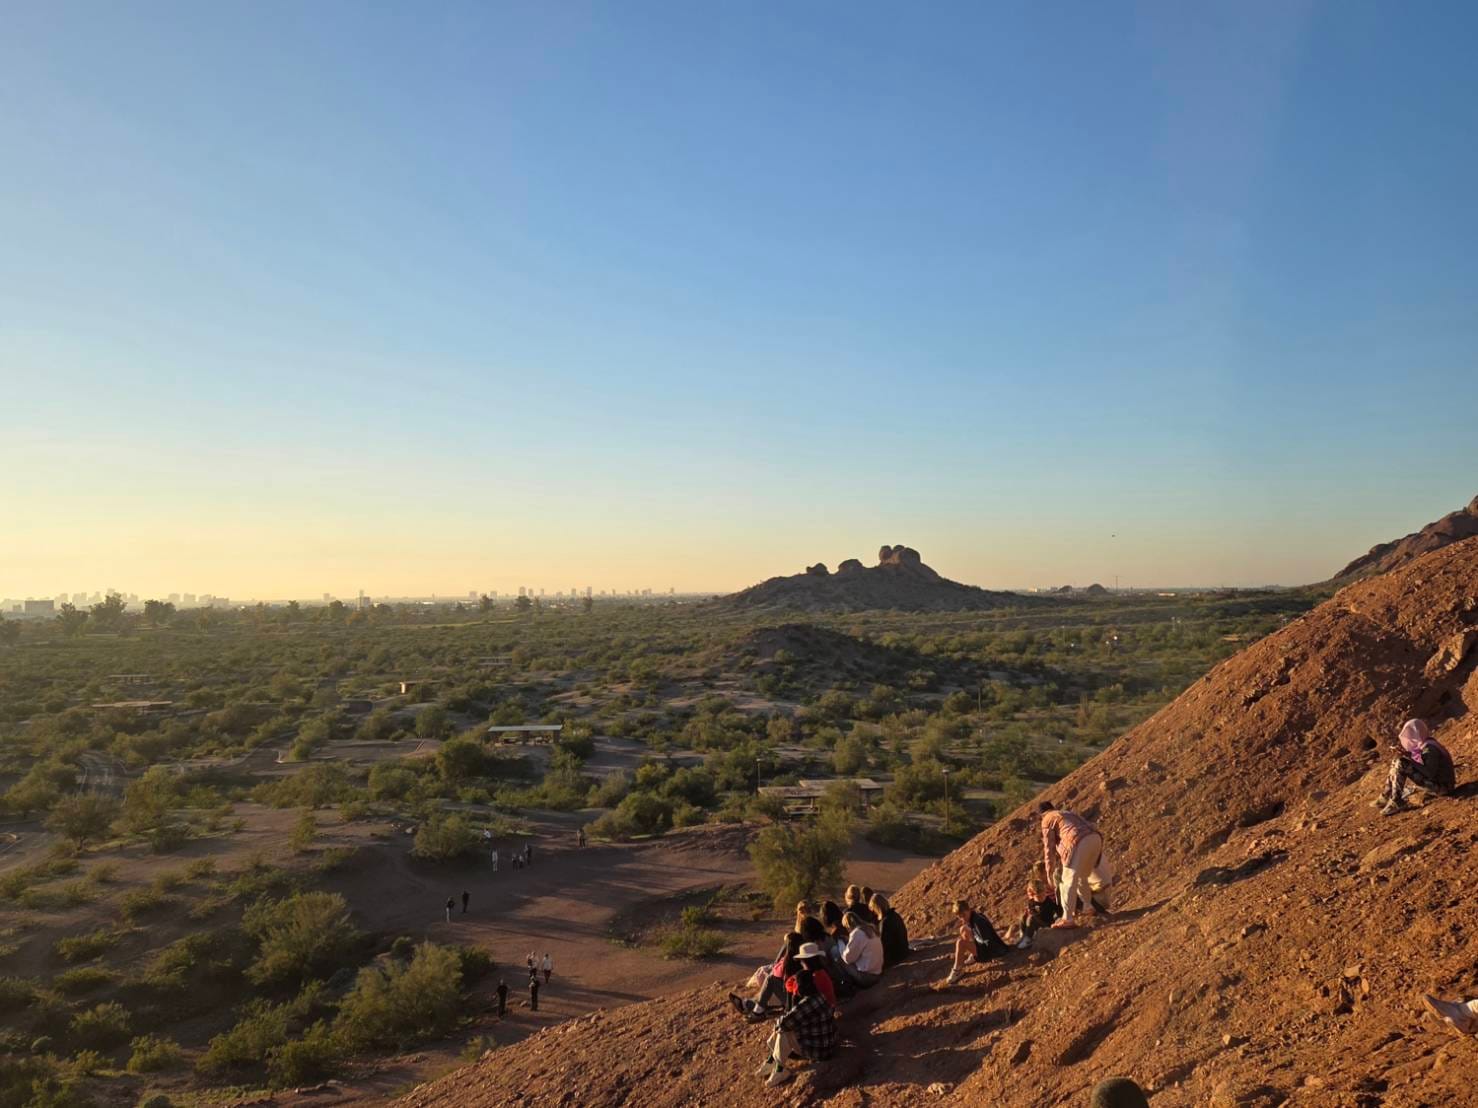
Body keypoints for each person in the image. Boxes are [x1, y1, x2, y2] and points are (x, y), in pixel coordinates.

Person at [757, 966, 837, 1088]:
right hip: (826, 1046)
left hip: (818, 1052)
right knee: (786, 1026)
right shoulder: (819, 996)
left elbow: (783, 1024)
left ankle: (779, 1067)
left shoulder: (806, 1004)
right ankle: (773, 1060)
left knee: (784, 1030)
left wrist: (793, 999)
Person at [1040, 801, 1113, 928]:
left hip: (1078, 841)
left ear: (1041, 814)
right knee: (1081, 877)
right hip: (1095, 838)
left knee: (1068, 880)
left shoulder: (1047, 819)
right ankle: (1088, 906)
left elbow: (1049, 848)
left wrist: (1049, 872)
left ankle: (1067, 918)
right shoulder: (1067, 813)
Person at [1376, 719, 1456, 815]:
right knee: (1397, 761)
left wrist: (1409, 758)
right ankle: (1386, 795)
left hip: (1443, 788)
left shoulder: (1430, 749)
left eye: (1411, 736)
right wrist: (1407, 755)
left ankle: (1396, 801)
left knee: (1402, 763)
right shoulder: (1425, 744)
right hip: (1439, 784)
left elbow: (1429, 773)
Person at [730, 931, 803, 1021]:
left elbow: (776, 972)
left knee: (771, 980)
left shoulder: (790, 962)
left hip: (793, 1002)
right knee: (769, 989)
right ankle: (750, 1005)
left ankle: (756, 1011)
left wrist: (781, 960)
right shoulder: (801, 959)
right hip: (798, 999)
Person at [944, 898, 1010, 986]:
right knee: (963, 929)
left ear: (968, 910)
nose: (962, 918)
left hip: (991, 952)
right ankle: (973, 955)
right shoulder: (974, 916)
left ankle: (957, 970)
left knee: (960, 942)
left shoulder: (978, 922)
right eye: (959, 916)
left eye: (963, 915)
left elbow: (988, 941)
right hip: (986, 947)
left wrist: (995, 956)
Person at [1005, 862, 1061, 948]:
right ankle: (1024, 936)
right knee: (1023, 917)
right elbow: (1032, 906)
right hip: (1039, 916)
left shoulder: (1048, 891)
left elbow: (1055, 906)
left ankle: (1028, 938)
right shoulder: (1033, 893)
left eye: (1043, 894)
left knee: (1031, 919)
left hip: (1047, 919)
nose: (1042, 897)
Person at [838, 911, 884, 990]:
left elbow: (847, 959)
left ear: (848, 926)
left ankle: (847, 986)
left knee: (839, 958)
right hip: (878, 971)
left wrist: (841, 944)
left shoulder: (856, 933)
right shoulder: (870, 928)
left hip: (867, 978)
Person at [869, 892, 909, 968]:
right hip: (904, 951)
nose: (873, 912)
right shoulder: (894, 915)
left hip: (896, 956)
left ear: (877, 908)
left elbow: (883, 945)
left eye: (873, 909)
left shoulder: (885, 922)